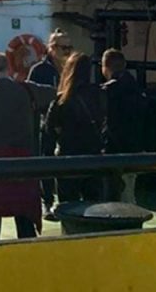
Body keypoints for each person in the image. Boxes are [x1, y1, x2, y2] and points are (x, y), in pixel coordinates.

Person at [0, 52, 54, 241]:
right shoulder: (28, 90)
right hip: (22, 161)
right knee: (24, 219)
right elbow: (55, 94)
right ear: (8, 68)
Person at [45, 52, 106, 203]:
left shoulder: (61, 101)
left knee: (68, 204)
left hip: (68, 159)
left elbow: (49, 134)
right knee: (94, 204)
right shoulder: (99, 95)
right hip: (93, 157)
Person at [27, 28, 73, 219]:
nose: (68, 52)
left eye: (70, 48)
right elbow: (31, 96)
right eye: (64, 48)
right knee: (46, 159)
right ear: (52, 48)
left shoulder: (71, 69)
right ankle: (46, 200)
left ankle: (66, 201)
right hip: (46, 122)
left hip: (68, 122)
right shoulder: (39, 70)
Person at [101, 49, 146, 202]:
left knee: (115, 196)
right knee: (129, 192)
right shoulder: (136, 88)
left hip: (114, 150)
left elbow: (109, 123)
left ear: (105, 67)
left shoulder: (109, 91)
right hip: (135, 147)